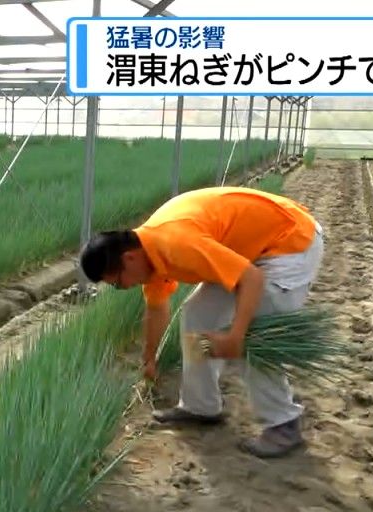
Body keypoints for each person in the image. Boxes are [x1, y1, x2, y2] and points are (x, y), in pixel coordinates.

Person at [79, 186, 324, 458]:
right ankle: (201, 406)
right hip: (246, 252)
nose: (125, 287)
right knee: (197, 315)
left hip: (289, 242)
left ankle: (284, 424)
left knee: (255, 335)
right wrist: (149, 357)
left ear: (129, 258)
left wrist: (236, 336)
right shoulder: (149, 254)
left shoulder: (176, 242)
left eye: (118, 282)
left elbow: (251, 279)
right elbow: (157, 308)